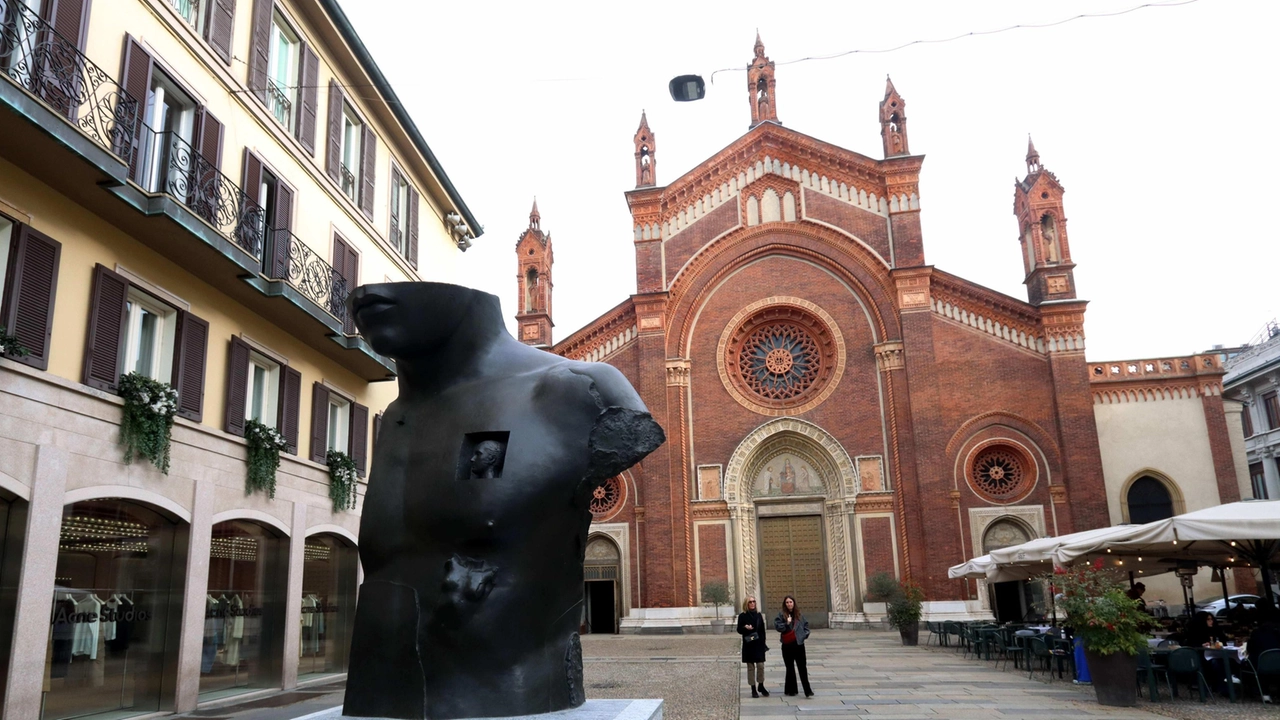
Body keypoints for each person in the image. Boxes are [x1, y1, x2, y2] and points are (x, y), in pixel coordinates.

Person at [774, 595, 813, 697]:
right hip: (787, 645)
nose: (789, 604)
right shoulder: (781, 615)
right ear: (784, 604)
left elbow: (806, 626)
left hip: (798, 644)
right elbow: (778, 627)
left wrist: (804, 635)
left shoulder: (799, 615)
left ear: (794, 603)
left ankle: (807, 690)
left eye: (790, 602)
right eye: (787, 602)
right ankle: (791, 690)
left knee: (802, 668)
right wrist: (786, 623)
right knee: (790, 668)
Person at [737, 597, 770, 698]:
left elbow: (762, 631)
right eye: (750, 602)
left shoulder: (759, 615)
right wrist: (745, 628)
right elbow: (739, 629)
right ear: (746, 604)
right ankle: (753, 688)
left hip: (758, 644)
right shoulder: (742, 616)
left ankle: (761, 685)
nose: (752, 603)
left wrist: (764, 643)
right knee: (750, 667)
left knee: (760, 666)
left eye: (753, 601)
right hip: (749, 644)